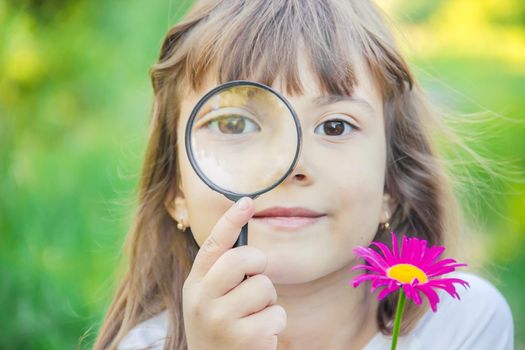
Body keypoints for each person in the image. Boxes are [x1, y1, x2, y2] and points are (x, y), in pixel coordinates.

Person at [93, 0, 514, 349]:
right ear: (174, 189)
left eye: (335, 126)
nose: (289, 167)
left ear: (391, 181)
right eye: (234, 125)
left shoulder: (461, 324)